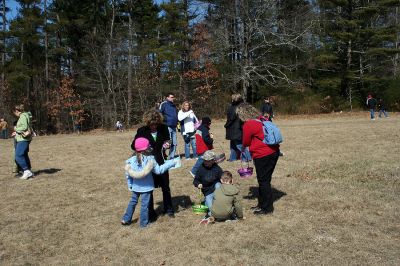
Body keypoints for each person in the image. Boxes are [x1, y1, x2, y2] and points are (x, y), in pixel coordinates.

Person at [121, 138, 178, 228]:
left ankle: (126, 219)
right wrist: (171, 163)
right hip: (146, 188)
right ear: (146, 148)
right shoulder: (150, 159)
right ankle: (143, 224)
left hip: (135, 187)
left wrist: (130, 185)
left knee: (132, 202)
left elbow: (128, 174)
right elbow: (159, 171)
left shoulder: (131, 160)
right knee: (145, 205)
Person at [238, 103, 280, 215]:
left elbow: (246, 142)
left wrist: (242, 148)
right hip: (274, 151)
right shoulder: (262, 119)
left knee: (263, 181)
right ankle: (261, 204)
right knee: (265, 180)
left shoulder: (248, 124)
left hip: (262, 154)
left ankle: (267, 208)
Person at [133, 110, 175, 219]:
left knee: (166, 187)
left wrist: (168, 144)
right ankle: (150, 213)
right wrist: (144, 148)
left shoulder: (163, 128)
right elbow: (134, 145)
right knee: (149, 189)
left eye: (156, 124)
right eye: (151, 124)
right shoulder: (141, 131)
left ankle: (169, 209)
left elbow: (168, 140)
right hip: (148, 164)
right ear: (147, 123)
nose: (154, 126)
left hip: (161, 161)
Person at [193, 150, 223, 217]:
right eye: (204, 160)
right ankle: (207, 205)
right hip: (207, 192)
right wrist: (198, 184)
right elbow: (195, 180)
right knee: (211, 211)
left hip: (216, 190)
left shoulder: (217, 168)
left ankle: (219, 203)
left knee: (218, 184)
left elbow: (222, 178)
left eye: (208, 160)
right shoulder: (201, 169)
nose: (205, 162)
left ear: (213, 160)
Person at [224, 94, 251, 162]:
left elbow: (231, 118)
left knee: (239, 145)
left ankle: (247, 157)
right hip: (235, 128)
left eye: (233, 98)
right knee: (233, 145)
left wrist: (226, 125)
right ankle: (233, 158)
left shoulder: (236, 107)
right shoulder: (240, 106)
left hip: (236, 129)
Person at [12, 104, 34, 180]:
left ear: (17, 111)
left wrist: (16, 129)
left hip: (23, 139)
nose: (14, 114)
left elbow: (24, 127)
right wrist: (17, 132)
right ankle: (29, 171)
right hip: (23, 138)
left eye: (14, 112)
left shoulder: (23, 116)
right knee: (24, 155)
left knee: (18, 156)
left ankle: (26, 170)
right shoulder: (25, 115)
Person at [159, 93, 178, 159]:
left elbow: (176, 115)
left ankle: (171, 157)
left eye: (173, 97)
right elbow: (159, 114)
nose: (173, 98)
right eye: (171, 97)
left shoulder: (174, 105)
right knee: (167, 143)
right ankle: (162, 155)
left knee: (174, 143)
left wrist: (177, 124)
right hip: (167, 126)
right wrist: (165, 119)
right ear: (167, 97)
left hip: (174, 126)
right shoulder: (164, 104)